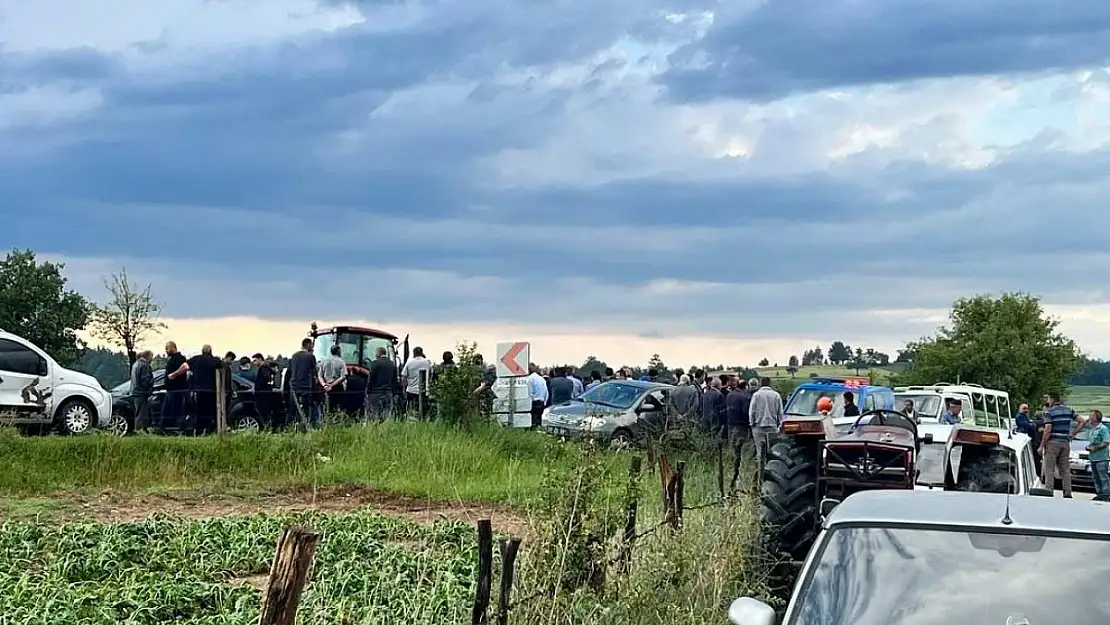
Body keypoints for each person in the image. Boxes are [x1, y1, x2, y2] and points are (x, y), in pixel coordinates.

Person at [1041, 392, 1080, 498]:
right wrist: (1073, 433)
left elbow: (1048, 429)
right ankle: (1067, 492)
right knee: (1065, 469)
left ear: (1053, 399)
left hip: (1053, 442)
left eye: (1048, 399)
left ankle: (1049, 490)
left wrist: (1041, 445)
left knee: (1050, 468)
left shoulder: (1049, 412)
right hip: (1065, 442)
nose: (1048, 401)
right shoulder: (1069, 410)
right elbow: (1082, 421)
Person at [725, 378, 753, 492]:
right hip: (742, 428)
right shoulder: (743, 397)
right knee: (743, 455)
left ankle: (731, 481)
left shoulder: (729, 396)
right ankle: (739, 481)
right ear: (745, 387)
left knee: (733, 454)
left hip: (731, 426)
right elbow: (746, 413)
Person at [749, 377, 784, 466]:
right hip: (772, 425)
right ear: (770, 383)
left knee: (760, 450)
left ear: (760, 383)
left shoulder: (756, 395)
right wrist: (780, 424)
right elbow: (780, 412)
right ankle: (771, 468)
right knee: (772, 450)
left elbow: (752, 410)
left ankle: (761, 470)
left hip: (758, 426)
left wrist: (752, 423)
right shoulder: (776, 395)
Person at [289, 338, 322, 429]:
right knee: (307, 409)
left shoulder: (294, 356)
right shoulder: (310, 356)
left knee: (295, 408)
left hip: (295, 385)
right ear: (308, 345)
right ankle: (306, 425)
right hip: (306, 386)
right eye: (311, 345)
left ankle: (295, 425)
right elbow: (314, 371)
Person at [1081, 410, 1110, 501]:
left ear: (1096, 418)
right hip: (1093, 458)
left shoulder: (1103, 429)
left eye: (1091, 416)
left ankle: (1106, 495)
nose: (1089, 417)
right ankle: (1099, 494)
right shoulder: (1092, 429)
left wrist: (1095, 448)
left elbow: (1106, 442)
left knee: (1103, 477)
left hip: (1102, 458)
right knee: (1096, 477)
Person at [365, 347, 397, 421]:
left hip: (375, 394)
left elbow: (370, 379)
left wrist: (367, 392)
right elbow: (394, 381)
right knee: (385, 417)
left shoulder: (374, 364)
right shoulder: (392, 364)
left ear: (378, 353)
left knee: (373, 417)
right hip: (388, 394)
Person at [162, 341, 188, 432]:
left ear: (173, 348)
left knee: (176, 410)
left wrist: (174, 374)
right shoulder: (172, 359)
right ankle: (167, 429)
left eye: (167, 348)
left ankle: (178, 428)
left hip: (177, 390)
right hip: (171, 389)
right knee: (169, 410)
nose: (166, 351)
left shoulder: (180, 358)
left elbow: (185, 367)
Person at [400, 347, 432, 416]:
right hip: (424, 391)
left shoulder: (409, 362)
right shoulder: (427, 362)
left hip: (411, 391)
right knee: (423, 410)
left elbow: (404, 377)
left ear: (414, 353)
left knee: (411, 410)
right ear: (422, 353)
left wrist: (404, 389)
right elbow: (430, 376)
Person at [252, 353, 278, 431]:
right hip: (267, 394)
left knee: (264, 414)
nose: (253, 362)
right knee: (266, 414)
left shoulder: (263, 369)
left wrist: (257, 387)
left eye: (255, 360)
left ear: (260, 359)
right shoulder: (267, 369)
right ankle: (269, 428)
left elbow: (263, 381)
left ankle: (267, 429)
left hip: (263, 395)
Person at [130, 350, 154, 432]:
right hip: (142, 392)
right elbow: (146, 379)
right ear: (148, 356)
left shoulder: (135, 364)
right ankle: (140, 431)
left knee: (138, 413)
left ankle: (138, 430)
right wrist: (150, 387)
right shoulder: (144, 365)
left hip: (135, 392)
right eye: (151, 357)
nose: (152, 359)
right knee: (142, 414)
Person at [319, 344, 348, 415]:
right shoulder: (341, 362)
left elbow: (319, 375)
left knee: (327, 406)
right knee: (338, 407)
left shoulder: (324, 361)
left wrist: (324, 385)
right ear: (338, 351)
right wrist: (332, 385)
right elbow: (344, 376)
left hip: (326, 387)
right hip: (337, 387)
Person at [526, 363, 548, 428]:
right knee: (539, 422)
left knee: (532, 423)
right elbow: (546, 392)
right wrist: (545, 402)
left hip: (534, 403)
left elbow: (530, 392)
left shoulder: (530, 379)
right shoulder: (542, 379)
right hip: (542, 402)